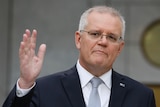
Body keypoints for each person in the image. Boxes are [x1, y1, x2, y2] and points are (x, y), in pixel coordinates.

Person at [3, 5, 156, 107]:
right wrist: (25, 84)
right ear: (78, 39)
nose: (103, 42)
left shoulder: (141, 96)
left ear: (120, 47)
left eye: (111, 37)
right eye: (95, 34)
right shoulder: (44, 90)